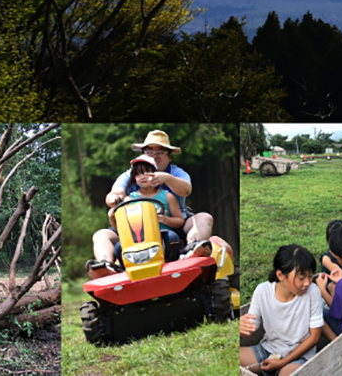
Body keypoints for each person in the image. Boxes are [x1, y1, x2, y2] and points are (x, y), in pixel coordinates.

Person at [89, 130, 212, 278]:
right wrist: (114, 200)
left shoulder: (176, 174)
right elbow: (114, 194)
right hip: (135, 228)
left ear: (169, 156)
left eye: (160, 152)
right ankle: (106, 264)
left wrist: (167, 178)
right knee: (101, 234)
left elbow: (186, 190)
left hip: (172, 224)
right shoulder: (132, 175)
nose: (154, 155)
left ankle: (192, 249)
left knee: (204, 218)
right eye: (149, 151)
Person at [239, 245, 324, 374]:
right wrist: (241, 326)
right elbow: (250, 328)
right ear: (280, 275)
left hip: (300, 356)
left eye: (310, 276)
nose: (307, 282)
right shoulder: (262, 291)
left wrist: (282, 362)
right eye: (301, 278)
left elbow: (314, 337)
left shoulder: (312, 292)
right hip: (268, 350)